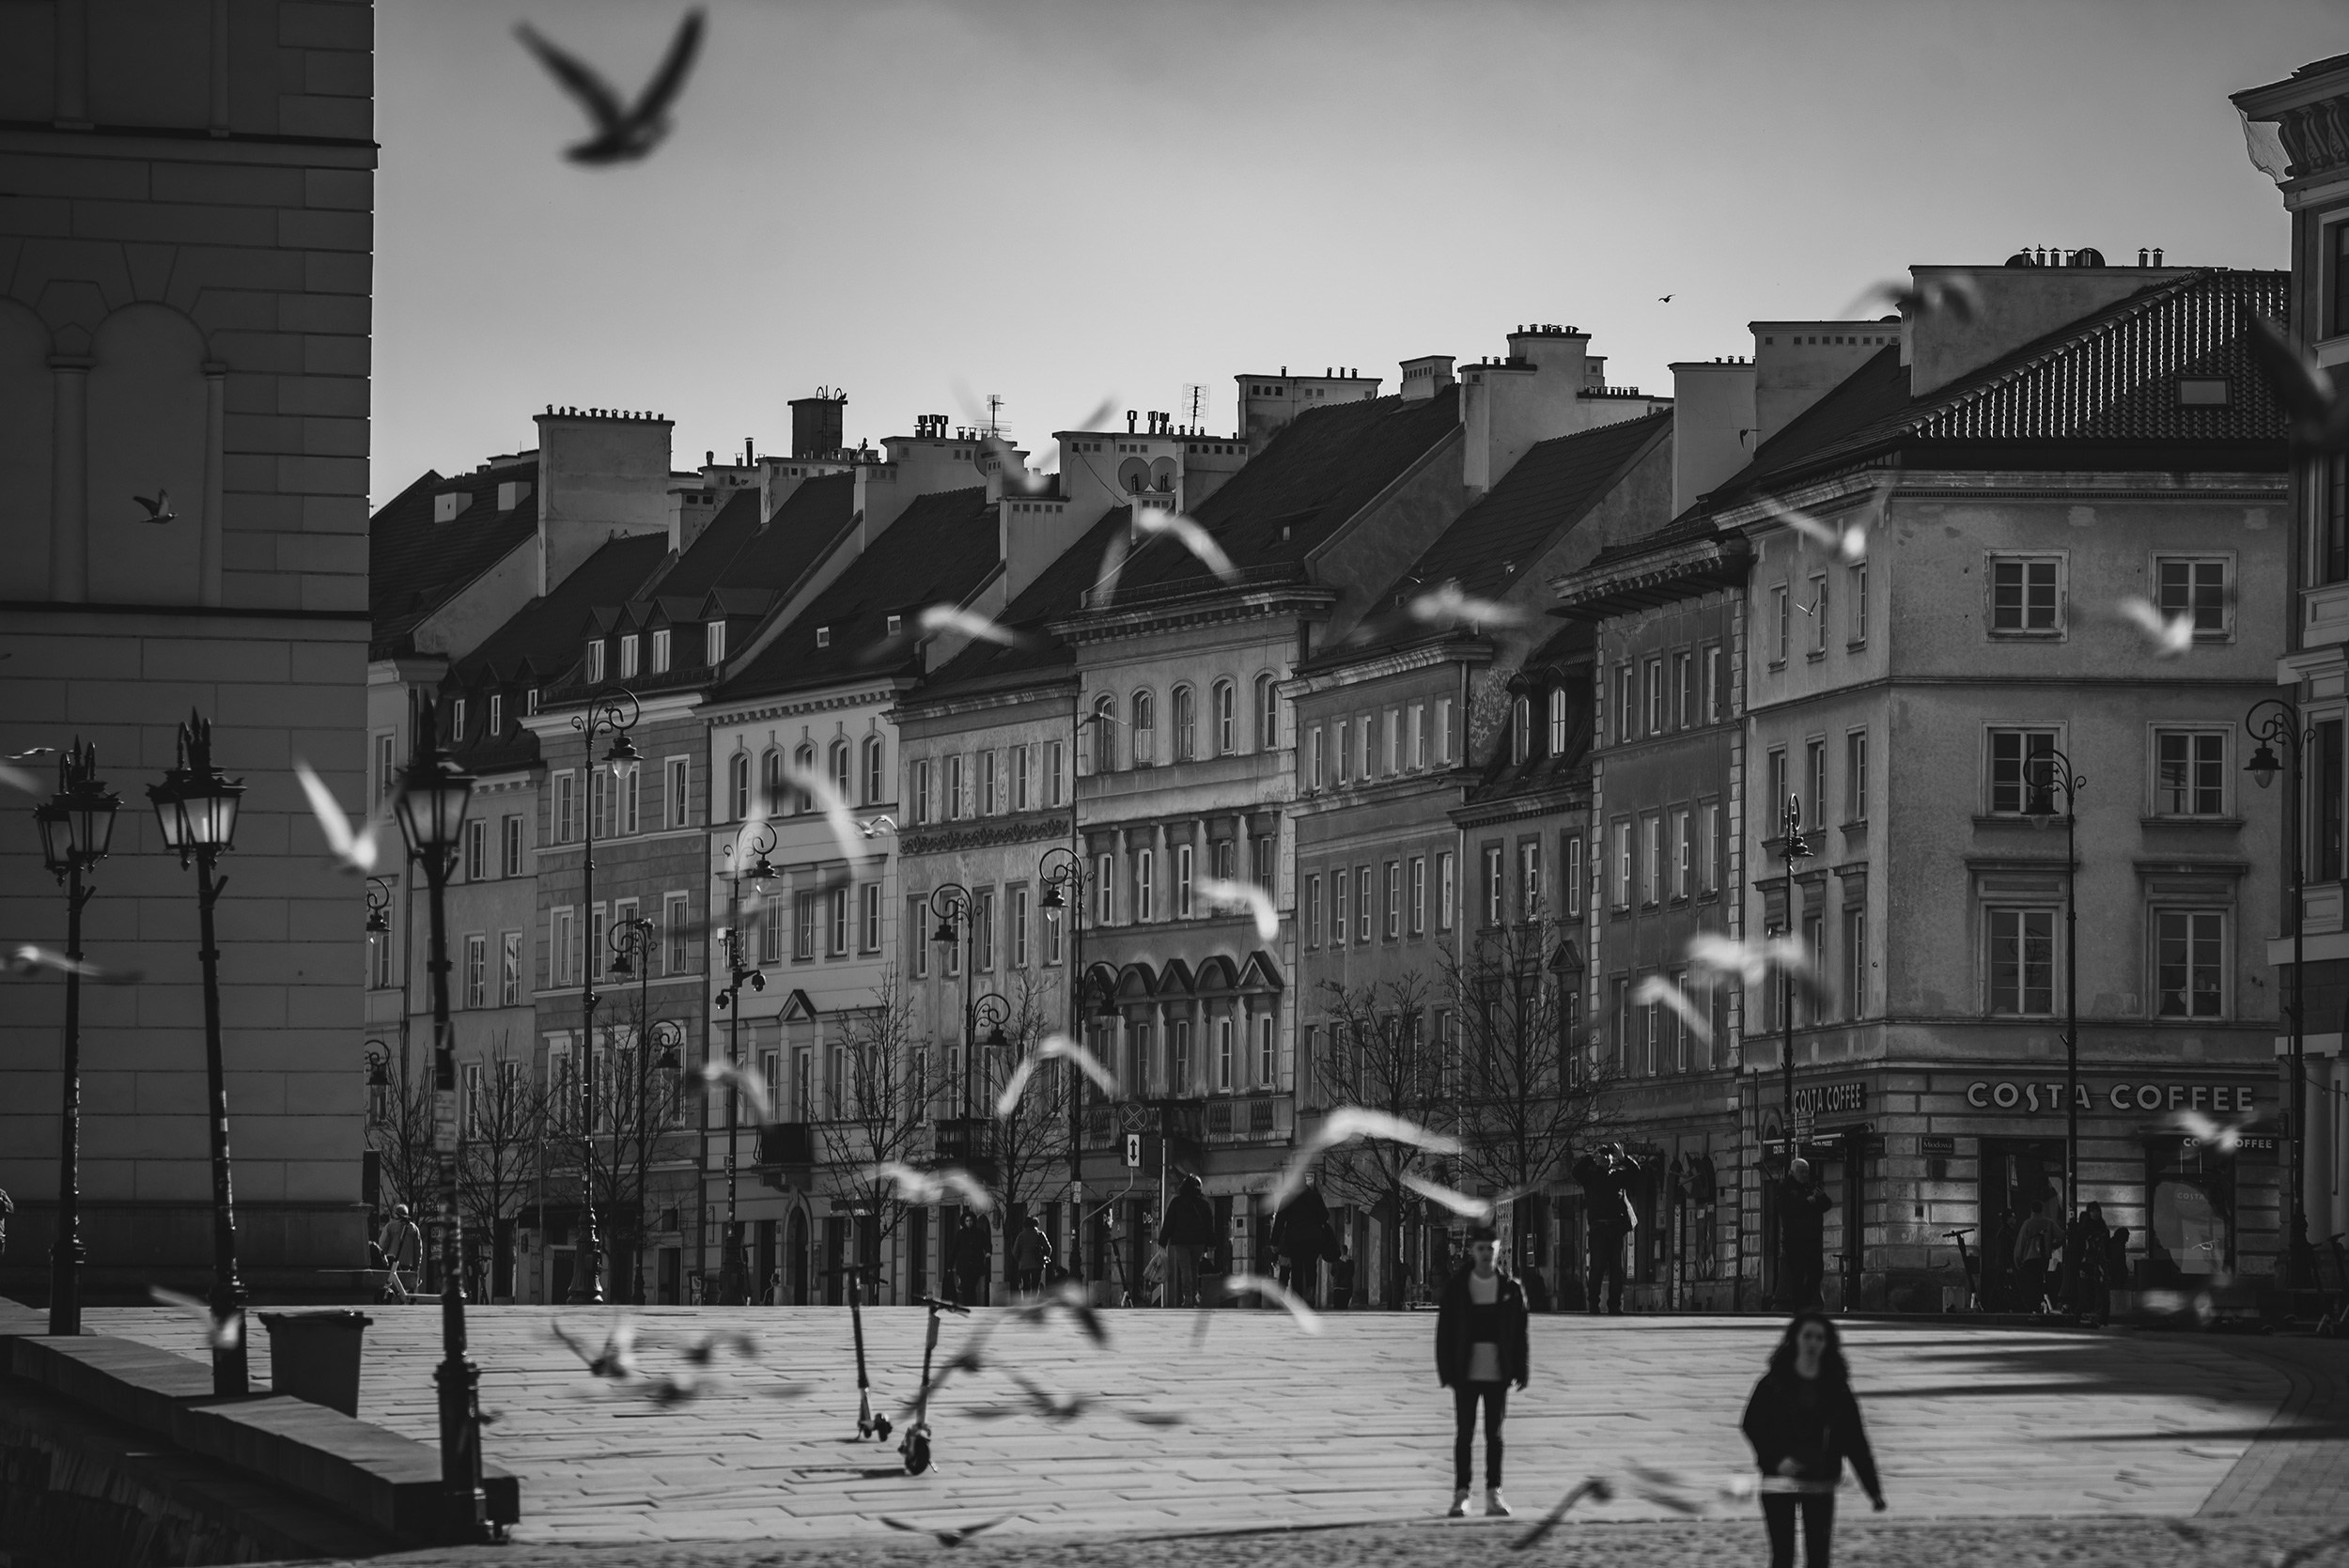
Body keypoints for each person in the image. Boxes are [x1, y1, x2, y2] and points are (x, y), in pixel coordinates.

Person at [1741, 1313, 1885, 1568]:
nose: (1813, 1343)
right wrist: (1776, 1460)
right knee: (1782, 1557)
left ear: (1827, 1344)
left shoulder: (1837, 1388)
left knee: (1818, 1558)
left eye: (1819, 1338)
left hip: (1820, 1479)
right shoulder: (1773, 1383)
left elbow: (1855, 1440)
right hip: (1779, 1479)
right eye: (1807, 1336)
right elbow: (1752, 1424)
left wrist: (1873, 1489)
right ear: (1795, 1339)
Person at [1434, 1223, 1528, 1519]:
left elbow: (1520, 1334)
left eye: (1491, 1248)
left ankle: (1493, 1493)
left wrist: (1521, 1368)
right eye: (1481, 1248)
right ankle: (1462, 1493)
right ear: (1472, 1251)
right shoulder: (1458, 1288)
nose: (1486, 1254)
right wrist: (1446, 1370)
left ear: (1498, 1250)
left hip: (1498, 1372)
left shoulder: (1510, 1289)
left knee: (1494, 1435)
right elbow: (1445, 1332)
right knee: (1464, 1434)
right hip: (1466, 1371)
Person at [1573, 1143, 1640, 1315]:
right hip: (1598, 1228)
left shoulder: (1618, 1176)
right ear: (1597, 1159)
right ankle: (1593, 1304)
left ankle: (1614, 1305)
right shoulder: (1590, 1177)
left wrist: (1624, 1158)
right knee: (1597, 1268)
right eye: (1602, 1155)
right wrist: (1590, 1156)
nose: (1605, 1158)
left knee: (1616, 1269)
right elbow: (1576, 1172)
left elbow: (1637, 1174)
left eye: (1608, 1155)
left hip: (1615, 1228)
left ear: (1612, 1159)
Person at [1271, 1175, 1335, 1304]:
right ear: (1305, 1183)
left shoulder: (1287, 1199)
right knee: (1311, 1265)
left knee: (1297, 1268)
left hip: (1295, 1239)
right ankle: (1310, 1290)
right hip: (1314, 1238)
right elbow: (1325, 1215)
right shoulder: (1315, 1197)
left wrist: (1274, 1241)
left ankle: (1298, 1297)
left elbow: (1279, 1221)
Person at [1157, 1172, 1215, 1309]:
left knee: (1185, 1269)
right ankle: (1194, 1296)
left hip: (1181, 1242)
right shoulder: (1203, 1204)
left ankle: (1188, 1297)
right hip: (1198, 1241)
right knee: (1194, 1268)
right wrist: (1212, 1242)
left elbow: (1169, 1223)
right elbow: (1209, 1225)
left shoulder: (1176, 1203)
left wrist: (1162, 1242)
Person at [1780, 1160, 1832, 1312]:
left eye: (1806, 1172)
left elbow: (1827, 1205)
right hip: (1794, 1239)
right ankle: (1800, 1306)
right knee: (1798, 1273)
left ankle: (1805, 1302)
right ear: (1793, 1172)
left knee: (1817, 1272)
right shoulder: (1786, 1188)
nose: (1804, 1175)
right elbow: (1786, 1210)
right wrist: (1806, 1202)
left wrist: (1821, 1197)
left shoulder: (1811, 1187)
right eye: (1801, 1172)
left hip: (1813, 1239)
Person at [2012, 1197, 2058, 1314]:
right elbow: (2061, 1236)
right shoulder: (2049, 1223)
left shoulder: (2027, 1224)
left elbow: (2021, 1244)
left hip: (2030, 1259)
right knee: (2040, 1282)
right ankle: (2040, 1304)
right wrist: (2052, 1246)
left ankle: (2034, 1308)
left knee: (2030, 1285)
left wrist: (2017, 1260)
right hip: (2044, 1259)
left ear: (2031, 1210)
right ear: (2042, 1209)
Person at [2069, 1203, 2109, 1325]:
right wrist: (2079, 1267)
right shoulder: (2084, 1230)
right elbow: (2078, 1250)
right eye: (2092, 1211)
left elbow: (2106, 1248)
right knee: (2085, 1295)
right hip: (2087, 1265)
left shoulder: (2103, 1229)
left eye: (2097, 1211)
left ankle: (2101, 1320)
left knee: (2103, 1295)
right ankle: (2078, 1320)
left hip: (2100, 1265)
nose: (2095, 1213)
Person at [376, 1203, 422, 1304]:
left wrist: (382, 1260)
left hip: (392, 1262)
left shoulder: (390, 1226)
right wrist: (416, 1268)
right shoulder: (414, 1228)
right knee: (403, 1287)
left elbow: (382, 1245)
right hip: (407, 1265)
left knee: (391, 1285)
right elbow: (418, 1250)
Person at [951, 1210, 992, 1306]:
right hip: (964, 1265)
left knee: (972, 1286)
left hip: (975, 1265)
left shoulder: (979, 1233)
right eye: (967, 1221)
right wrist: (950, 1264)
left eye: (971, 1221)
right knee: (966, 1287)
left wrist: (988, 1252)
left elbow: (987, 1243)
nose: (969, 1223)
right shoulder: (960, 1234)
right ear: (964, 1222)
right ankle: (968, 1305)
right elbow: (954, 1249)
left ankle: (972, 1305)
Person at [1010, 1213, 1054, 1294]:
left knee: (1026, 1285)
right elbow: (1049, 1249)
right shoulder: (1040, 1235)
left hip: (1024, 1265)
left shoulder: (1021, 1236)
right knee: (1035, 1286)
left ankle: (1027, 1300)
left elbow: (1015, 1252)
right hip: (1037, 1264)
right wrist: (1043, 1257)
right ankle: (1034, 1300)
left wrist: (1020, 1260)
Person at [1329, 1243, 1357, 1311]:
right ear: (1347, 1251)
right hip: (1347, 1287)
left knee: (1337, 1307)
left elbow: (1332, 1273)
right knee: (1344, 1307)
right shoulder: (1350, 1263)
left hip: (1338, 1286)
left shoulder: (1336, 1262)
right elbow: (1352, 1273)